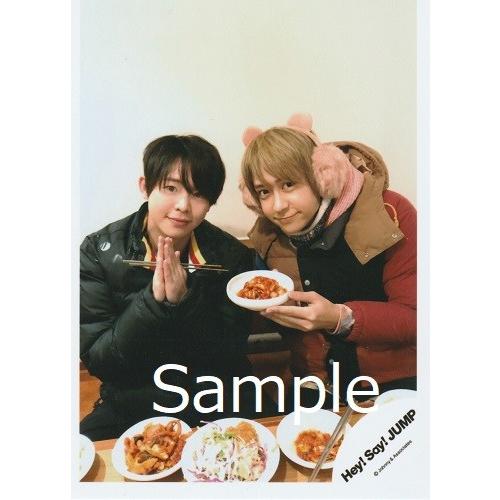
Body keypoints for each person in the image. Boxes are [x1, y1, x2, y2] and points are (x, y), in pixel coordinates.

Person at [80, 134, 273, 441]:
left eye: (198, 194)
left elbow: (229, 352)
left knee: (272, 442)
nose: (183, 206)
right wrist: (152, 303)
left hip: (215, 391)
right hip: (134, 394)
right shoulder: (99, 252)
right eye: (170, 188)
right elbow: (99, 360)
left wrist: (186, 301)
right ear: (145, 186)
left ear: (210, 202)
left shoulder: (230, 255)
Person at [239, 113, 416, 408]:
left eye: (288, 184)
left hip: (392, 384)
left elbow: (417, 316)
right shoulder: (267, 236)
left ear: (323, 176)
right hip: (314, 384)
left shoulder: (391, 213)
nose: (277, 206)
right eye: (264, 192)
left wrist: (339, 318)